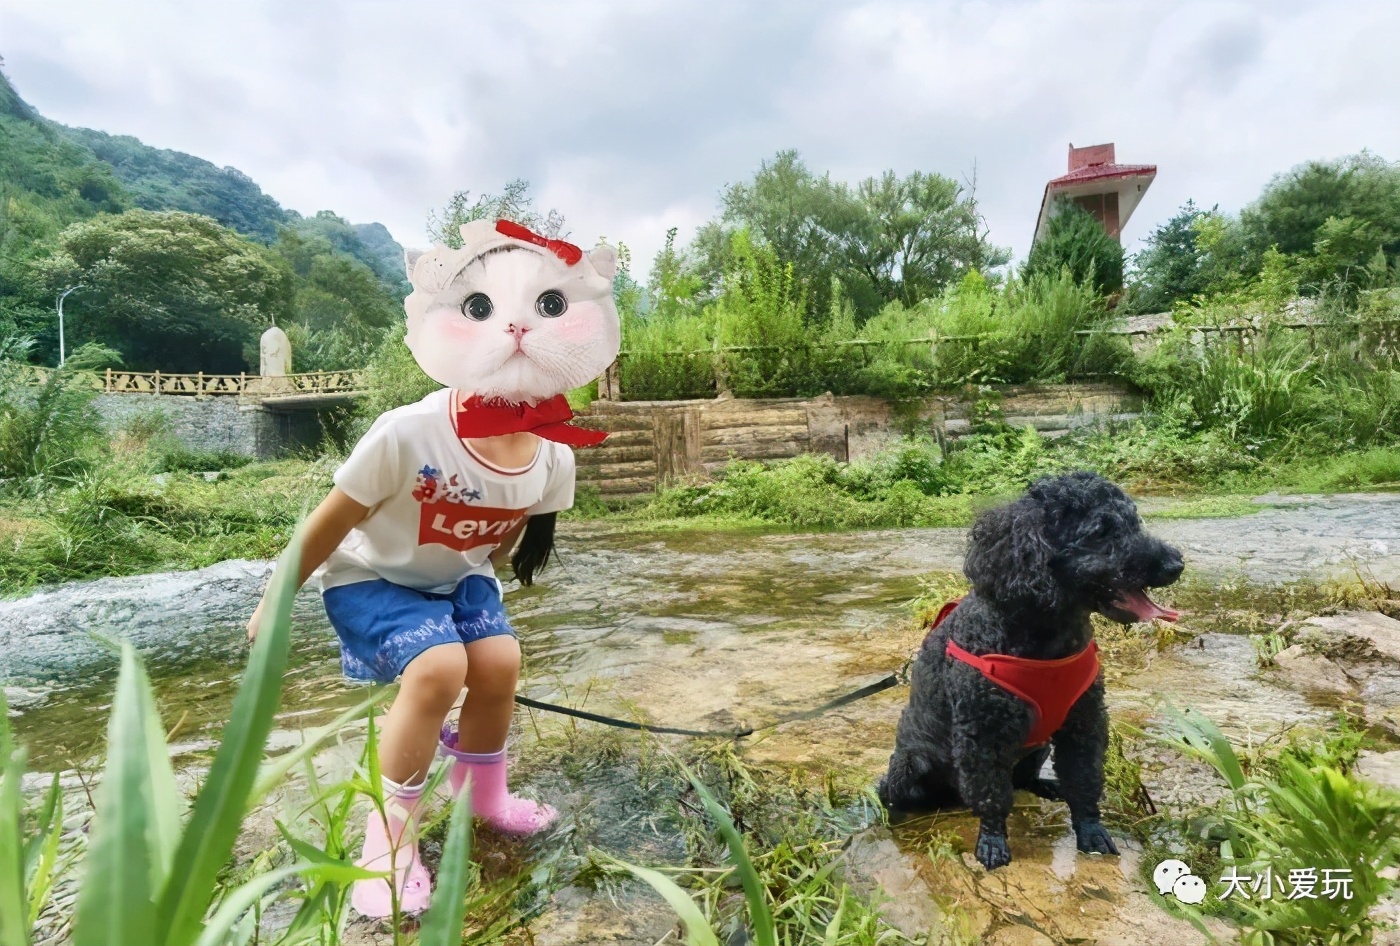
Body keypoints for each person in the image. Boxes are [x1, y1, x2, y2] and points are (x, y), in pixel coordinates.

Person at [246, 218, 620, 917]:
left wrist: (476, 596)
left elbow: (508, 537)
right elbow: (330, 523)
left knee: (500, 661)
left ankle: (483, 796)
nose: (516, 332)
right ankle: (387, 840)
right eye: (485, 310)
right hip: (372, 577)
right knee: (439, 667)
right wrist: (274, 601)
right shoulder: (409, 432)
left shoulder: (554, 455)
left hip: (456, 580)